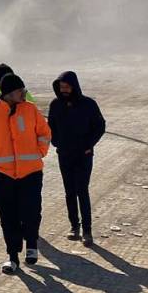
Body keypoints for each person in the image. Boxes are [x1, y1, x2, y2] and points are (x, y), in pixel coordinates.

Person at [0, 73, 51, 274]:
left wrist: (40, 152)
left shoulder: (31, 109)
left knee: (31, 211)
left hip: (31, 173)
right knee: (8, 216)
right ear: (9, 93)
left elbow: (44, 133)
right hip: (2, 174)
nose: (24, 93)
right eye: (20, 90)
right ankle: (12, 256)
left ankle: (32, 246)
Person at [48, 71, 105, 247]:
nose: (63, 90)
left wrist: (89, 145)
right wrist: (56, 142)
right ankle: (74, 227)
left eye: (66, 87)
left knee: (82, 191)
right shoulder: (56, 105)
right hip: (64, 155)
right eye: (61, 87)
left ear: (74, 86)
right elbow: (50, 126)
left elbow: (100, 126)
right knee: (69, 192)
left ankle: (87, 230)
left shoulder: (88, 104)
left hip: (83, 155)